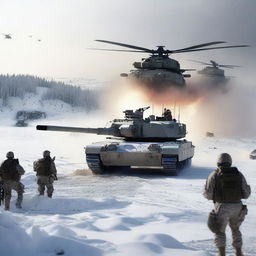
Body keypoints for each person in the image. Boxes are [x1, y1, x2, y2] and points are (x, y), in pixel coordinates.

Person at [203, 153, 251, 256]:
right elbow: (246, 193)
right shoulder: (238, 174)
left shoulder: (214, 175)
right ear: (230, 162)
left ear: (218, 162)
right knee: (235, 229)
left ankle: (222, 253)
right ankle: (238, 252)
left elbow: (208, 194)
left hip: (222, 207)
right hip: (237, 207)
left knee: (219, 231)